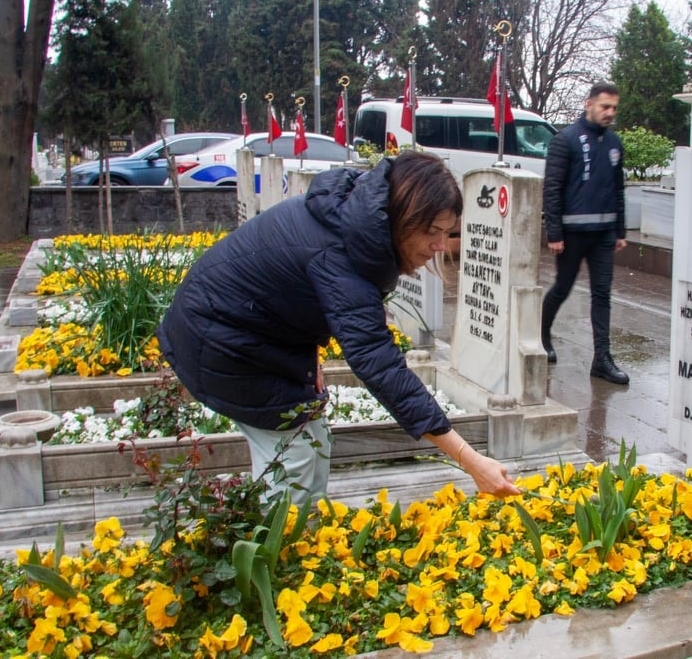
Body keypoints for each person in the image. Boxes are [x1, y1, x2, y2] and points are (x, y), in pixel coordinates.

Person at [157, 151, 521, 505]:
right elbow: (380, 366)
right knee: (293, 459)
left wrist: (309, 350)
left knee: (313, 440)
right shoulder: (343, 255)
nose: (441, 246)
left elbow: (291, 286)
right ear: (404, 218)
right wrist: (472, 462)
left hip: (248, 334)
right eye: (433, 232)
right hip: (218, 342)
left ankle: (303, 536)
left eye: (447, 232)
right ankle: (273, 552)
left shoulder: (355, 225)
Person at [541, 82, 629, 385]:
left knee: (602, 295)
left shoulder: (615, 142)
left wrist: (620, 230)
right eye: (605, 106)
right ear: (588, 104)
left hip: (604, 235)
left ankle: (602, 359)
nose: (610, 113)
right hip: (571, 234)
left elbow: (618, 190)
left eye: (614, 108)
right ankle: (541, 336)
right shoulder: (565, 140)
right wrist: (554, 232)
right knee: (562, 289)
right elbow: (551, 187)